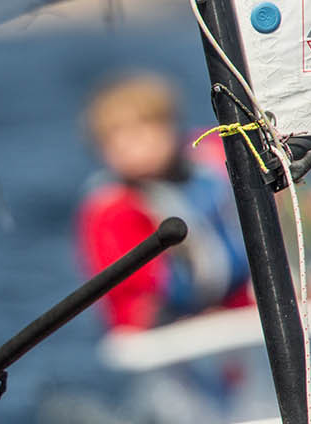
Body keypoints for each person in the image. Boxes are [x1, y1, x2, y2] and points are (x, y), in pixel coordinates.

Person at [75, 72, 252, 330]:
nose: (129, 145)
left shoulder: (209, 163)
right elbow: (137, 293)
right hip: (161, 325)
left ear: (171, 129)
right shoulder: (112, 210)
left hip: (232, 306)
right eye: (115, 137)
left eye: (143, 130)